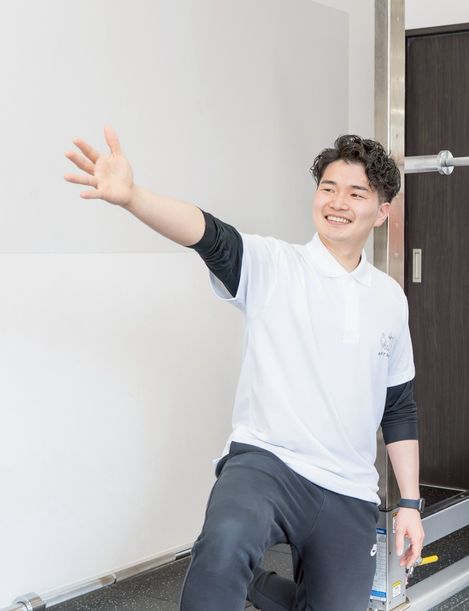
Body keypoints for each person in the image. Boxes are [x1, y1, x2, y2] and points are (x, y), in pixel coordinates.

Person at [64, 129, 425, 611]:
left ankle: (255, 584)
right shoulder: (275, 264)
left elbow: (398, 407)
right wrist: (133, 197)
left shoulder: (390, 299)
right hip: (267, 463)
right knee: (226, 541)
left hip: (349, 487)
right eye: (328, 188)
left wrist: (410, 504)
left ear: (381, 212)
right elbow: (208, 234)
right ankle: (228, 566)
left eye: (356, 193)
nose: (338, 202)